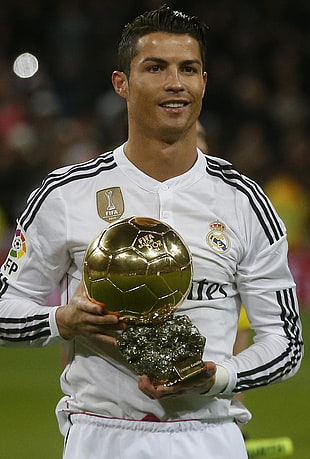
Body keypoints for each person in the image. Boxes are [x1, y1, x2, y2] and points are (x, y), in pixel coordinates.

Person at [0, 6, 303, 459]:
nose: (175, 82)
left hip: (210, 435)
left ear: (204, 82)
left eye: (189, 69)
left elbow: (287, 344)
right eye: (155, 67)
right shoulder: (65, 194)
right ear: (121, 83)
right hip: (100, 435)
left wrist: (218, 376)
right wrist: (61, 321)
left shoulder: (244, 202)